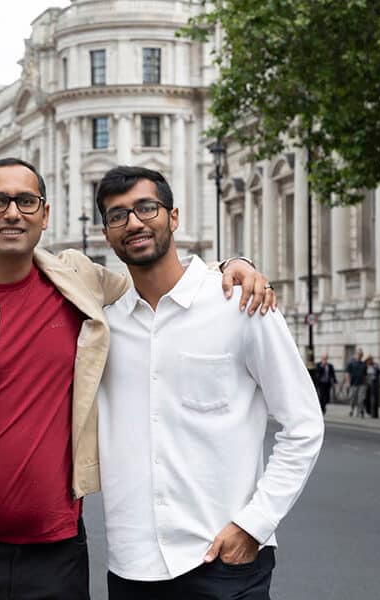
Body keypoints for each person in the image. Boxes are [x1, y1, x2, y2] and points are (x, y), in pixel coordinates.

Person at [0, 157, 275, 600]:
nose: (12, 213)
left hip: (57, 556)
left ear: (45, 215)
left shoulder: (80, 282)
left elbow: (160, 281)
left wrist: (230, 266)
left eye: (26, 201)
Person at [94, 166, 324, 600]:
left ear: (173, 217)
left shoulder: (239, 304)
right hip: (131, 566)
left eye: (147, 208)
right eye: (117, 215)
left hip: (224, 560)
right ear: (106, 234)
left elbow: (304, 425)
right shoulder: (101, 325)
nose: (134, 222)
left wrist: (254, 524)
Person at [346, 349, 367, 418]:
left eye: (361, 355)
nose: (359, 356)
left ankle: (360, 411)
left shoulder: (364, 364)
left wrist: (366, 384)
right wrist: (348, 382)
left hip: (362, 384)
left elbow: (365, 375)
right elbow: (347, 373)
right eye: (358, 354)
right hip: (353, 384)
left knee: (361, 399)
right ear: (355, 355)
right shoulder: (351, 363)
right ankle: (351, 409)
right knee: (352, 398)